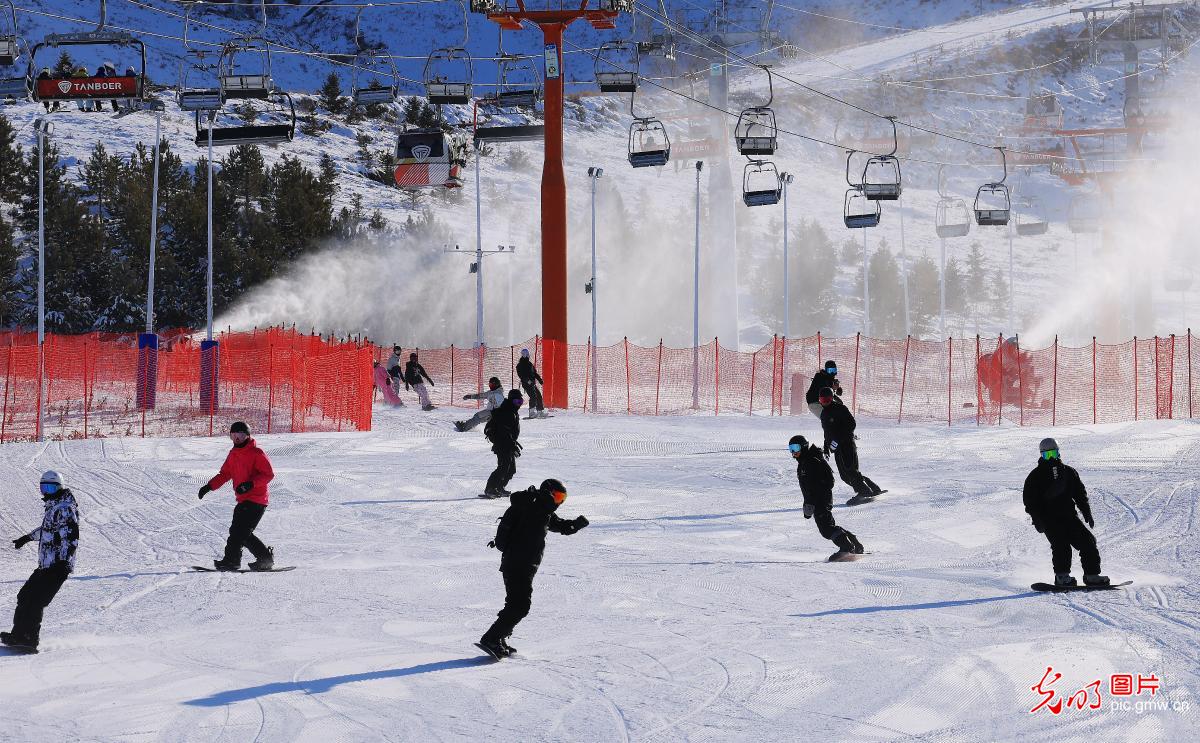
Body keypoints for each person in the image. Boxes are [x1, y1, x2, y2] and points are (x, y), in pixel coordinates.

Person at [478, 478, 588, 658]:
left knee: (516, 604)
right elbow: (530, 511)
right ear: (548, 493)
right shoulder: (532, 507)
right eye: (558, 497)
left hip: (524, 563)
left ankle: (498, 638)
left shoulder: (542, 510)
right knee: (520, 605)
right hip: (517, 563)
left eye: (563, 499)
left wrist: (575, 524)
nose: (559, 502)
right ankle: (492, 638)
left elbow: (558, 525)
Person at [2, 472, 79, 653]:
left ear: (59, 487)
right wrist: (28, 537)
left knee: (36, 601)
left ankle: (29, 639)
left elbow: (71, 537)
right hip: (46, 565)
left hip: (57, 566)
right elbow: (47, 529)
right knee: (25, 596)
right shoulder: (54, 507)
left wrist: (63, 562)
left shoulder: (65, 508)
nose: (46, 492)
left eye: (50, 488)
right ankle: (19, 635)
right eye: (44, 488)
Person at [1022, 438, 1109, 587]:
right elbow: (1030, 502)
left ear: (1058, 452)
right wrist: (1037, 520)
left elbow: (1079, 493)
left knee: (1088, 542)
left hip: (1069, 517)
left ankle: (1092, 575)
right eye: (1046, 455)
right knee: (1061, 545)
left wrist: (1086, 511)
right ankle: (1062, 577)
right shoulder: (1035, 476)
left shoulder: (1068, 472)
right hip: (1049, 519)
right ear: (1041, 455)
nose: (1050, 458)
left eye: (1053, 453)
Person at [198, 421, 277, 571]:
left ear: (247, 435)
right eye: (233, 435)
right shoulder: (233, 454)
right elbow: (225, 474)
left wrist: (250, 484)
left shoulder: (257, 453)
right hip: (243, 499)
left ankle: (237, 560)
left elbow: (268, 474)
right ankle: (257, 559)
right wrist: (209, 486)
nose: (237, 438)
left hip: (257, 499)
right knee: (239, 532)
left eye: (240, 435)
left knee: (240, 532)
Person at [789, 435, 863, 558]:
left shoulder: (812, 461)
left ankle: (847, 546)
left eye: (796, 447)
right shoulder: (805, 461)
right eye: (791, 448)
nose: (793, 452)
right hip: (817, 500)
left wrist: (813, 500)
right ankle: (855, 544)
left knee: (826, 529)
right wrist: (808, 503)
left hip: (820, 499)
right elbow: (808, 487)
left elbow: (828, 481)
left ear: (804, 446)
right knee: (828, 526)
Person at [818, 387, 883, 504]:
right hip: (836, 448)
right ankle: (872, 488)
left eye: (827, 400)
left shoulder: (840, 409)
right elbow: (827, 432)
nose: (825, 403)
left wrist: (838, 438)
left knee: (851, 471)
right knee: (844, 476)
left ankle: (864, 492)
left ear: (832, 398)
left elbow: (851, 424)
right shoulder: (824, 413)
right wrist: (826, 446)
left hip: (846, 444)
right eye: (822, 401)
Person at [482, 389, 523, 497]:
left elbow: (510, 432)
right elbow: (504, 431)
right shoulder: (507, 411)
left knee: (511, 469)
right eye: (516, 402)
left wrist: (513, 444)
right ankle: (490, 489)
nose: (518, 405)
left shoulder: (512, 411)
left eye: (520, 402)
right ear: (511, 401)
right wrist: (513, 446)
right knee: (503, 467)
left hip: (508, 443)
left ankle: (499, 487)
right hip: (502, 444)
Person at [516, 349, 546, 419]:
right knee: (533, 396)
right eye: (526, 355)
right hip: (526, 384)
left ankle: (540, 412)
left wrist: (540, 380)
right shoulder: (520, 365)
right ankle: (531, 413)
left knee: (538, 396)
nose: (527, 356)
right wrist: (529, 381)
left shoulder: (529, 364)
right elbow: (521, 375)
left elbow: (534, 373)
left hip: (532, 383)